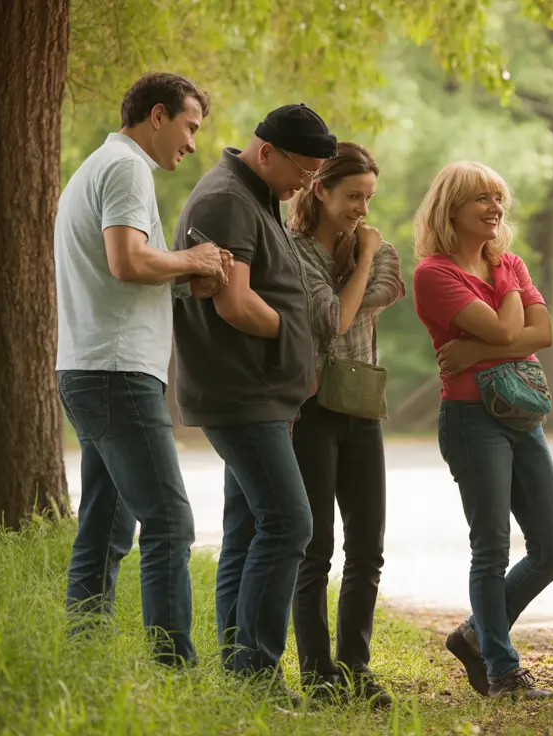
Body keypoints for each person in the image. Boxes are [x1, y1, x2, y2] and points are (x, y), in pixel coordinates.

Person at [54, 71, 224, 667]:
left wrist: (181, 274)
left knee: (105, 524)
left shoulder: (97, 166)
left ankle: (85, 658)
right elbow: (126, 261)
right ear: (157, 115)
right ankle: (173, 667)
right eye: (189, 126)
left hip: (91, 368)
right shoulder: (126, 168)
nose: (193, 142)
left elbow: (124, 270)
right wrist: (193, 257)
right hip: (116, 373)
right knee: (171, 522)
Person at [171, 104, 335, 693]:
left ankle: (238, 669)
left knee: (249, 528)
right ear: (267, 152)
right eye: (305, 171)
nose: (307, 186)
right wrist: (296, 339)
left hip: (265, 392)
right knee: (291, 523)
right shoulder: (227, 200)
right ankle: (257, 672)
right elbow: (234, 303)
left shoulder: (256, 195)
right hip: (241, 394)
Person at [411, 161, 553, 700]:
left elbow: (542, 334)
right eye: (481, 198)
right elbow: (513, 328)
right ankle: (503, 670)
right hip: (471, 418)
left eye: (499, 198)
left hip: (521, 416)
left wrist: (475, 348)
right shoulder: (434, 273)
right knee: (492, 549)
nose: (495, 208)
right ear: (450, 208)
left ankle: (476, 633)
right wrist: (506, 309)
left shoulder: (510, 264)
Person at [286, 142, 406, 707]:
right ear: (321, 190)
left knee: (368, 547)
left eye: (368, 198)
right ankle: (318, 676)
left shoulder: (371, 245)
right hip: (312, 409)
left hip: (361, 402)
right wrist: (362, 263)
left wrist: (359, 283)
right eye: (353, 196)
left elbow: (389, 287)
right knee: (316, 548)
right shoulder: (296, 249)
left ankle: (356, 668)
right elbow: (332, 320)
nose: (362, 208)